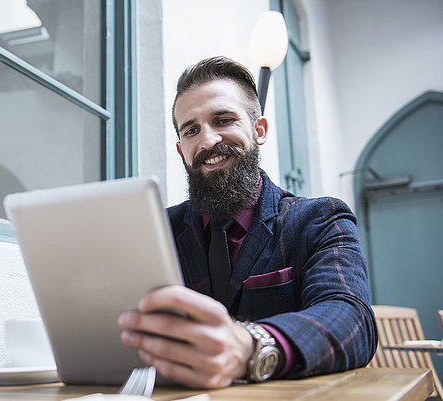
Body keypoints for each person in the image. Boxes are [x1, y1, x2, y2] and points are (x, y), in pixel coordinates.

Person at [118, 56, 377, 388]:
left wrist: (253, 347)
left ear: (259, 131)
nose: (207, 140)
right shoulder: (157, 231)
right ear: (181, 149)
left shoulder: (321, 220)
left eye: (223, 120)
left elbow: (352, 320)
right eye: (192, 130)